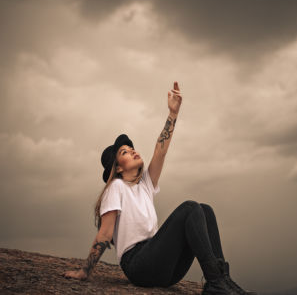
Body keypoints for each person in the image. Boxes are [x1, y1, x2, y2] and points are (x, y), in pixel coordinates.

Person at [62, 81, 257, 295]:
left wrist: (173, 113)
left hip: (164, 268)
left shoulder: (145, 184)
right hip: (138, 265)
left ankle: (222, 280)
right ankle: (215, 283)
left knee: (205, 210)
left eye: (132, 148)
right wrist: (84, 271)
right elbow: (105, 233)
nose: (133, 151)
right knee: (190, 208)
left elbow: (160, 151)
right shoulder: (115, 188)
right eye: (125, 152)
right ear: (117, 168)